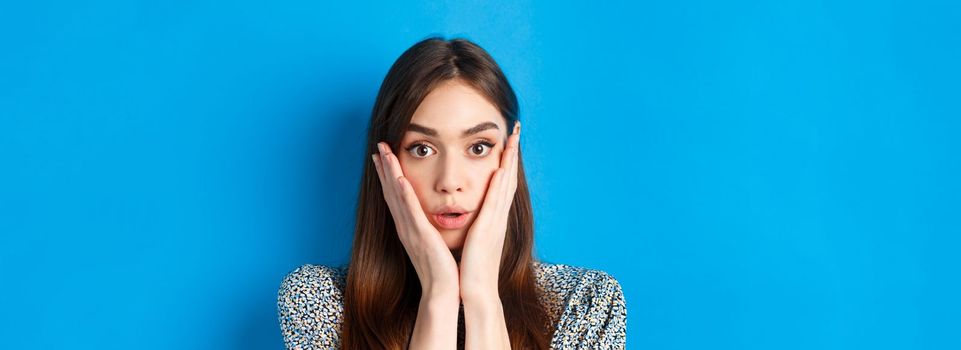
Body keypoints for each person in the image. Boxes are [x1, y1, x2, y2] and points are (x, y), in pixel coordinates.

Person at [277, 36, 626, 350]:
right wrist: (439, 297)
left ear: (511, 154)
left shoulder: (585, 301)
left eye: (478, 147)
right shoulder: (320, 299)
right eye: (422, 149)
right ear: (386, 161)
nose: (449, 181)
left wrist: (482, 297)